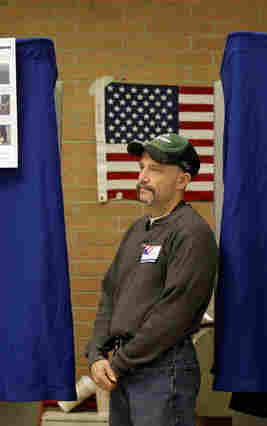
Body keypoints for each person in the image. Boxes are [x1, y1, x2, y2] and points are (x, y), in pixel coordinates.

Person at [85, 133, 218, 426]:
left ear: (182, 181)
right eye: (142, 167)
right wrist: (96, 354)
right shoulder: (138, 230)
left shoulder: (191, 233)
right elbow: (110, 295)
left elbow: (175, 314)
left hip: (162, 370)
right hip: (124, 369)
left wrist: (117, 363)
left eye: (155, 170)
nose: (143, 177)